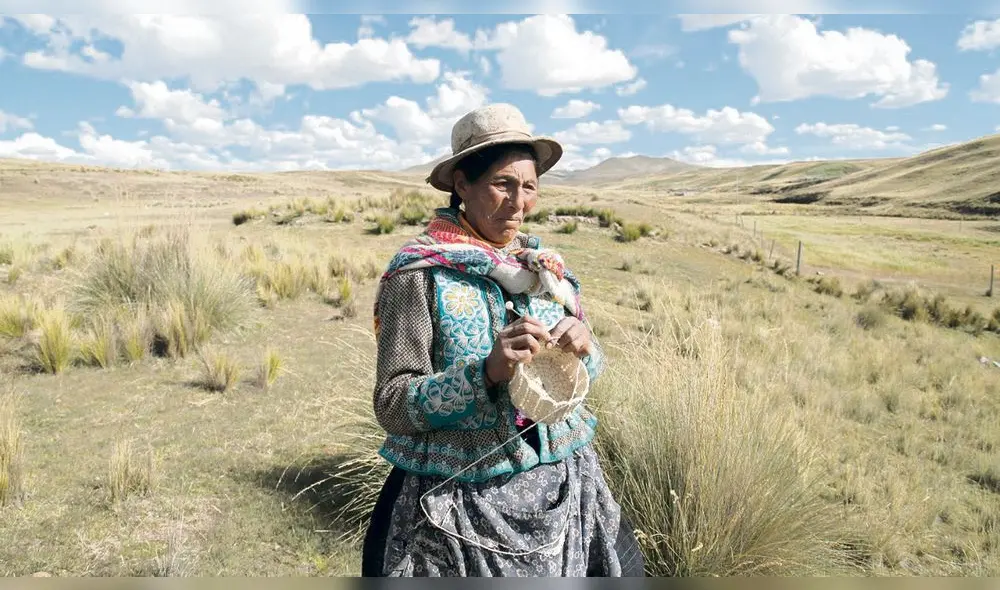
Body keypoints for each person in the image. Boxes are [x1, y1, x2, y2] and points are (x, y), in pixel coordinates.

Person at [361, 103, 645, 577]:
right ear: (462, 185)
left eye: (529, 186)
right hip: (455, 501)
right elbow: (392, 403)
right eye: (502, 184)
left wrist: (584, 347)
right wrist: (486, 373)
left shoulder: (547, 272)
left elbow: (591, 369)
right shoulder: (418, 276)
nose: (518, 202)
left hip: (566, 483)